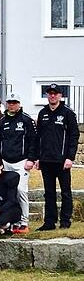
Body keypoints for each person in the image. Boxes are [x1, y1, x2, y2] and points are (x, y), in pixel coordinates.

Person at [34, 83, 79, 231]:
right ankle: (49, 222)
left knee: (65, 192)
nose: (52, 96)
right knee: (49, 193)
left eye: (55, 93)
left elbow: (74, 136)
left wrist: (70, 157)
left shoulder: (67, 113)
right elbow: (38, 137)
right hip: (46, 160)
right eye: (50, 93)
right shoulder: (42, 113)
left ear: (60, 95)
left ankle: (65, 221)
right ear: (47, 95)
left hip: (62, 161)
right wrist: (37, 158)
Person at [0, 93, 36, 233]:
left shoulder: (26, 120)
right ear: (6, 104)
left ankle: (24, 222)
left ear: (19, 104)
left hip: (22, 162)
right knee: (8, 192)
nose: (12, 105)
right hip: (6, 161)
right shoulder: (2, 121)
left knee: (20, 190)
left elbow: (33, 141)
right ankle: (12, 221)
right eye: (10, 102)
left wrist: (31, 159)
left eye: (15, 102)